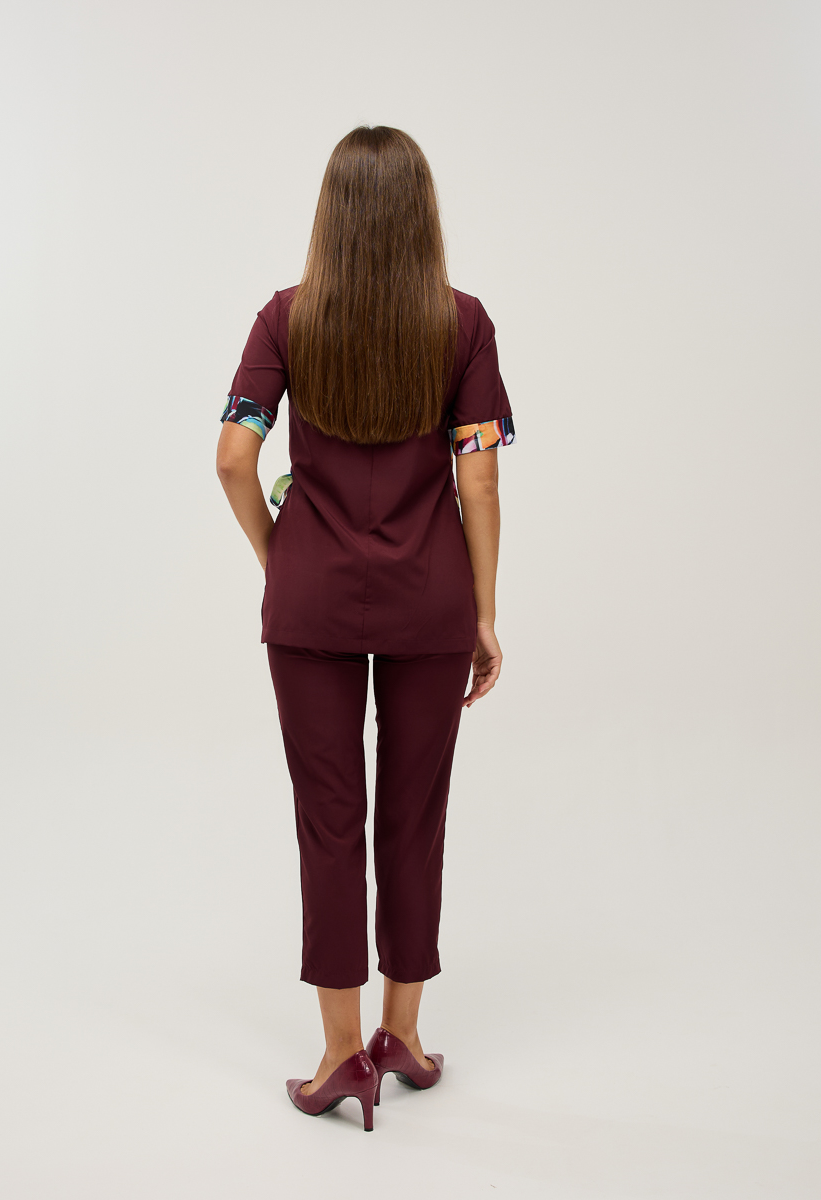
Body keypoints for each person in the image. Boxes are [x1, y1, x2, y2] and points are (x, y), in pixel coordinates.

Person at [215, 125, 515, 1132]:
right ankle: (405, 1039)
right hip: (432, 605)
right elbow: (480, 479)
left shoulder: (285, 318)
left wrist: (282, 557)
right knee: (414, 820)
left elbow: (232, 457)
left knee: (329, 822)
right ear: (422, 213)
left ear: (330, 214)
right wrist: (482, 613)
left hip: (311, 604)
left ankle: (339, 1056)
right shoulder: (463, 325)